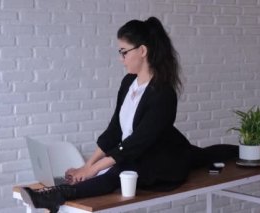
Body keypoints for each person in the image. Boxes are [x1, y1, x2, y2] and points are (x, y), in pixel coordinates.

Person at [19, 17, 242, 213]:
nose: (121, 58)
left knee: (121, 172)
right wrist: (88, 165)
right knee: (199, 156)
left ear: (142, 51)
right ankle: (248, 151)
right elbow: (115, 129)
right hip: (140, 152)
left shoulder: (163, 94)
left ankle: (55, 196)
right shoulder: (128, 83)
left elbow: (134, 144)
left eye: (124, 52)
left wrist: (91, 170)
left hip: (164, 158)